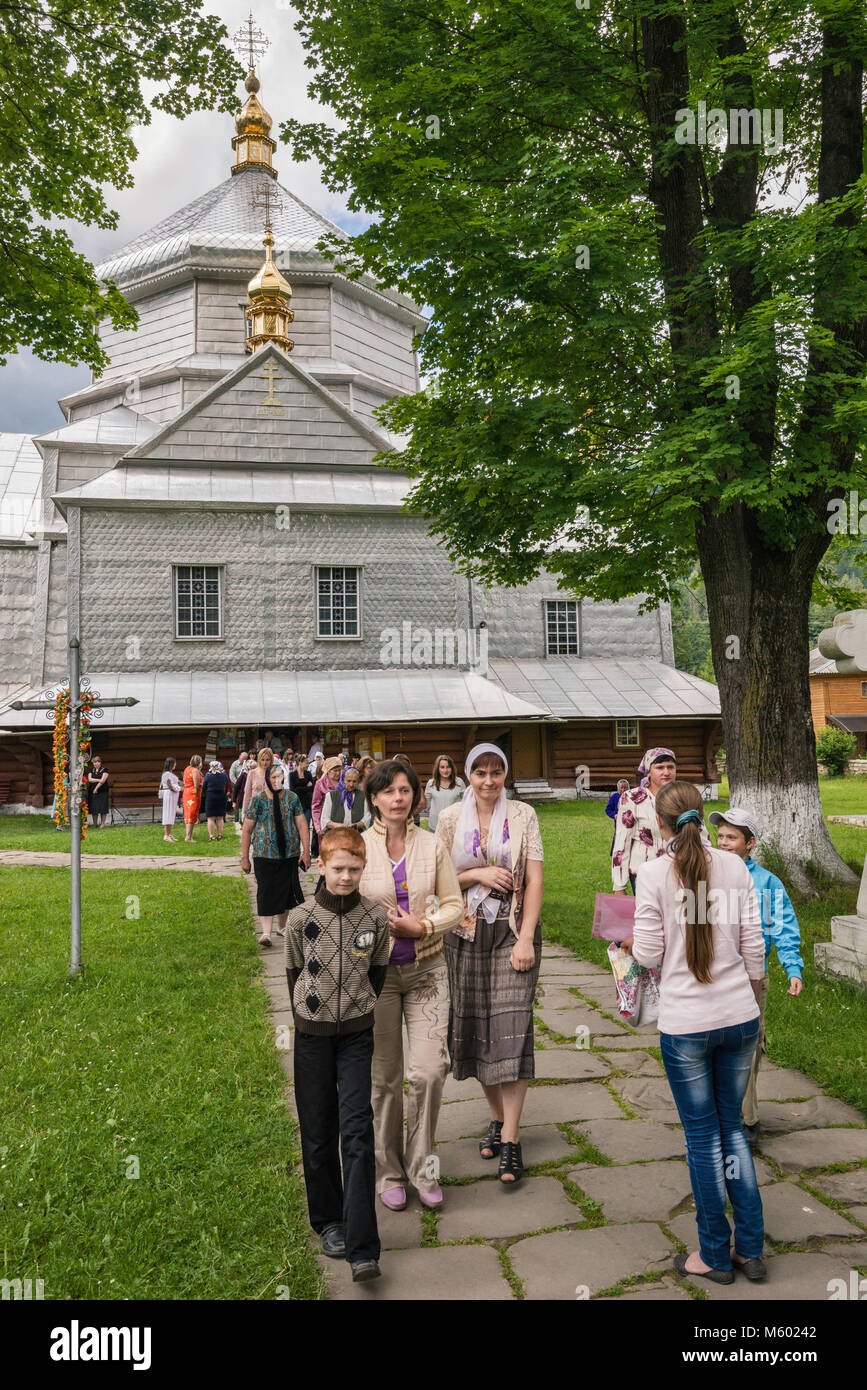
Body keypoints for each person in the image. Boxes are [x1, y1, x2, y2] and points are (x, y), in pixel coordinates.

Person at [628, 781, 766, 1285]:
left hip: (687, 1024)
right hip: (738, 1017)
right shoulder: (734, 867)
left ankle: (712, 1251)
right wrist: (745, 998)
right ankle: (750, 1249)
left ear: (660, 825)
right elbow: (754, 943)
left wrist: (629, 941)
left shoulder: (654, 873)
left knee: (703, 1138)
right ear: (702, 817)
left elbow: (645, 953)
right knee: (733, 1130)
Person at [285, 827, 391, 1282]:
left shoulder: (376, 919)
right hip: (311, 1038)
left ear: (364, 869)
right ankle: (329, 1221)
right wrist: (312, 1012)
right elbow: (292, 970)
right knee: (318, 1128)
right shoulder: (299, 918)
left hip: (356, 1036)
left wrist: (353, 1007)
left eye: (354, 869)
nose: (345, 877)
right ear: (322, 866)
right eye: (338, 868)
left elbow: (379, 971)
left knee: (357, 1130)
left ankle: (363, 1245)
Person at [436, 743, 544, 1187]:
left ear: (504, 774)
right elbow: (439, 878)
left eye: (495, 771)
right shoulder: (447, 820)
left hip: (511, 931)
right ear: (467, 776)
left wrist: (525, 938)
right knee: (477, 1027)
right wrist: (477, 874)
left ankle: (513, 1140)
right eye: (479, 772)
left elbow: (535, 878)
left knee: (513, 1028)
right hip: (464, 932)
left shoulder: (522, 815)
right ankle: (497, 1119)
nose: (487, 780)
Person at [359, 759, 462, 1211]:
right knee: (384, 1079)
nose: (398, 798)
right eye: (388, 792)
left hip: (427, 971)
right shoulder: (360, 847)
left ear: (416, 796)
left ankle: (423, 1167)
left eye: (405, 790)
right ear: (375, 799)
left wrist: (423, 926)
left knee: (428, 1072)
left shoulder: (432, 845)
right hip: (376, 978)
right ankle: (389, 1172)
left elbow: (455, 905)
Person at [710, 807, 804, 1146]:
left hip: (751, 977)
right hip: (713, 976)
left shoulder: (767, 883)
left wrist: (793, 967)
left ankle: (746, 1120)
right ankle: (721, 1113)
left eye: (731, 837)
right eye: (720, 836)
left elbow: (784, 928)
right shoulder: (706, 876)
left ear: (750, 843)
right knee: (715, 1045)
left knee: (749, 1047)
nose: (723, 843)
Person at [242, 762, 310, 947]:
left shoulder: (292, 798)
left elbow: (302, 824)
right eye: (273, 777)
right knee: (266, 891)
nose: (276, 780)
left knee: (287, 891)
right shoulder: (258, 801)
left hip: (289, 854)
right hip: (264, 854)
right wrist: (244, 857)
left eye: (279, 777)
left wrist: (306, 852)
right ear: (267, 779)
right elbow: (247, 829)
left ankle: (282, 927)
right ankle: (266, 933)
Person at [612, 748, 678, 894]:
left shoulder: (684, 795)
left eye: (670, 767)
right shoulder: (631, 798)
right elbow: (622, 842)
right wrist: (619, 886)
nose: (666, 772)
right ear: (649, 771)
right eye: (660, 767)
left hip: (679, 873)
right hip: (644, 874)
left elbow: (700, 835)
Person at [321, 764, 372, 831]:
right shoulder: (331, 795)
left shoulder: (363, 796)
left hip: (356, 835)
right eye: (349, 781)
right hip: (335, 835)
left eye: (354, 781)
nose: (351, 785)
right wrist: (339, 826)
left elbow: (367, 816)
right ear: (343, 779)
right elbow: (325, 819)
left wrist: (356, 825)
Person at [424, 754, 466, 832]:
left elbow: (465, 802)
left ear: (452, 768)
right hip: (435, 826)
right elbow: (427, 803)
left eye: (448, 767)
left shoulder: (459, 782)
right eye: (442, 767)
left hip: (454, 826)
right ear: (438, 768)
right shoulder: (431, 783)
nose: (445, 770)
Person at [311, 756, 343, 846]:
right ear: (328, 770)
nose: (338, 773)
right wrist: (318, 827)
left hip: (342, 823)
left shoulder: (344, 782)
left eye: (339, 770)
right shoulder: (320, 783)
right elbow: (315, 806)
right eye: (335, 770)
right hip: (325, 824)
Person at [202, 759, 231, 841]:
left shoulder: (208, 776)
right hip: (222, 796)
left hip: (211, 797)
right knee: (220, 817)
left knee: (210, 818)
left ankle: (211, 836)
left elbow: (204, 787)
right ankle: (219, 835)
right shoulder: (224, 776)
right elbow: (226, 784)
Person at [243, 746, 275, 813]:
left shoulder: (276, 774)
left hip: (271, 811)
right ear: (259, 760)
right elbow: (247, 794)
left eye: (267, 760)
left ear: (271, 760)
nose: (264, 763)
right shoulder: (252, 773)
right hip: (255, 810)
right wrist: (244, 812)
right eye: (262, 760)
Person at [289, 754, 316, 831]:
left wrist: (300, 788)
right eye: (306, 763)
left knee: (306, 827)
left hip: (307, 804)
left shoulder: (308, 774)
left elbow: (312, 788)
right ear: (300, 762)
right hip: (296, 804)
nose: (308, 765)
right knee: (296, 828)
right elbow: (293, 790)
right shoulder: (292, 775)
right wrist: (306, 787)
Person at [159, 757, 181, 842]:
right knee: (167, 813)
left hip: (173, 795)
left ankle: (169, 834)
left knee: (171, 814)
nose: (175, 765)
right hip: (169, 794)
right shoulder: (166, 774)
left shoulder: (171, 774)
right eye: (174, 763)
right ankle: (166, 835)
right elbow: (170, 785)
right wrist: (180, 788)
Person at [605, 778, 630, 853]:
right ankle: (616, 853)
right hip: (619, 823)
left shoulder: (631, 796)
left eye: (625, 788)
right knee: (619, 837)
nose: (623, 790)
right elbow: (608, 809)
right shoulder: (615, 797)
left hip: (629, 822)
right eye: (621, 788)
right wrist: (614, 815)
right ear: (618, 788)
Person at [87, 755, 110, 828]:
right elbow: (90, 780)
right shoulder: (92, 770)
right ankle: (94, 824)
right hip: (92, 792)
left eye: (97, 762)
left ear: (100, 762)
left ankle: (102, 824)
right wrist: (98, 780)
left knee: (103, 808)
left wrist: (96, 788)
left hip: (102, 791)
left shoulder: (105, 770)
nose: (95, 764)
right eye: (94, 762)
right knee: (94, 808)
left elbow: (103, 781)